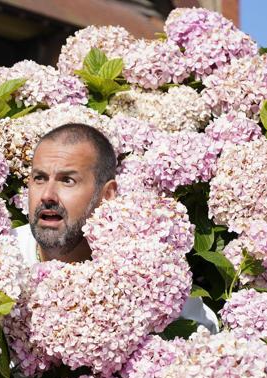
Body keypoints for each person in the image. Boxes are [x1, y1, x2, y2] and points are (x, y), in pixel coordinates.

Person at [14, 123, 219, 333]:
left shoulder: (142, 274)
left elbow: (203, 331)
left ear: (107, 194)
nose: (47, 195)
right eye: (39, 178)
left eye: (67, 180)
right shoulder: (5, 257)